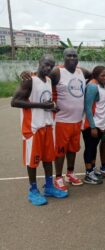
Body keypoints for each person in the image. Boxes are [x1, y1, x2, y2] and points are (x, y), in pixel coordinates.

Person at [11, 55, 68, 206]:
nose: (48, 68)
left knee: (48, 159)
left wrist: (52, 107)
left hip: (47, 125)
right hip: (33, 128)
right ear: (39, 63)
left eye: (51, 66)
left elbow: (46, 101)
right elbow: (15, 102)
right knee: (33, 161)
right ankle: (33, 190)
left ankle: (49, 187)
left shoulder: (48, 80)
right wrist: (43, 106)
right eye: (46, 64)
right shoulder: (29, 79)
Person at [47, 48, 91, 190]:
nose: (72, 58)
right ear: (64, 58)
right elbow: (41, 78)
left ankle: (70, 174)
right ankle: (58, 178)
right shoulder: (57, 72)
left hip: (77, 120)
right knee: (60, 151)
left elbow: (94, 74)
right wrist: (29, 74)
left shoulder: (81, 72)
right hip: (61, 121)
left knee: (73, 149)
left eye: (74, 55)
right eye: (69, 56)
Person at [81, 66, 105, 184]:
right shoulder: (93, 86)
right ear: (96, 75)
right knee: (90, 148)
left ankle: (92, 169)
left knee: (93, 148)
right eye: (102, 75)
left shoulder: (102, 85)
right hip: (91, 124)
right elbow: (87, 107)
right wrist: (92, 126)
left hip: (100, 123)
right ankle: (88, 173)